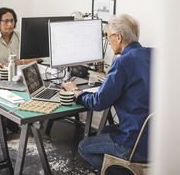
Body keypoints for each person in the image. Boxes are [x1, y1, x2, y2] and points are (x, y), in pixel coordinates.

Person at [61, 14, 152, 173]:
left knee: (84, 147)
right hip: (157, 141)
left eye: (108, 37)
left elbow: (98, 102)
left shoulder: (122, 62)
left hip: (135, 145)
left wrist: (76, 91)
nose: (108, 42)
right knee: (105, 131)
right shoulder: (152, 54)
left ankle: (125, 170)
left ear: (119, 37)